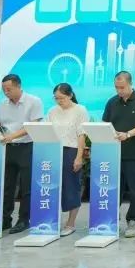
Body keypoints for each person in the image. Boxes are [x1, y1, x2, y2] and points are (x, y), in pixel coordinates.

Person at [101, 71, 135, 239]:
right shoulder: (112, 102)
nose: (119, 91)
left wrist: (128, 134)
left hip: (133, 153)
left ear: (130, 84)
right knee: (114, 188)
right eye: (116, 87)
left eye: (122, 87)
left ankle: (133, 221)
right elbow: (105, 124)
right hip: (114, 153)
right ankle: (111, 218)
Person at [0, 73, 44, 234]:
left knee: (26, 186)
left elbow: (33, 125)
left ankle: (24, 219)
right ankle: (5, 219)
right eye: (3, 89)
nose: (6, 92)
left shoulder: (34, 101)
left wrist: (12, 136)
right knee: (7, 185)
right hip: (8, 147)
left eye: (8, 89)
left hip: (27, 146)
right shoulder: (2, 104)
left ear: (18, 86)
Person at [46, 83, 89, 236]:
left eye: (62, 98)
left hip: (71, 151)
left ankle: (70, 223)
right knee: (52, 186)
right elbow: (46, 130)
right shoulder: (52, 111)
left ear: (70, 95)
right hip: (54, 151)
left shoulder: (80, 110)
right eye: (56, 98)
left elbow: (81, 135)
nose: (59, 101)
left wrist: (78, 157)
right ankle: (52, 220)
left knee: (71, 187)